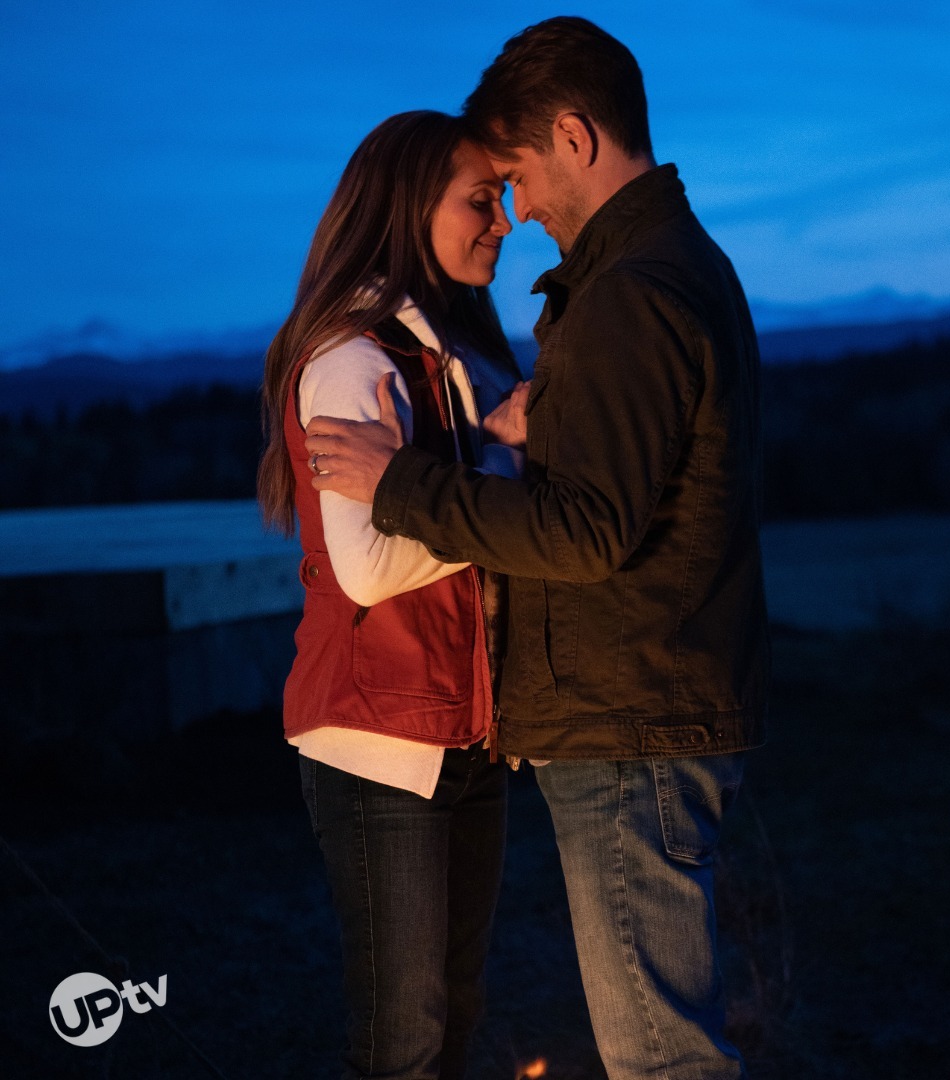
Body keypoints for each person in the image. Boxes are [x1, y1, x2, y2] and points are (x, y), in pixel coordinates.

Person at [304, 18, 771, 1080]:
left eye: (514, 178)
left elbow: (586, 529)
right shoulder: (662, 272)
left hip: (630, 714)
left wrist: (406, 483)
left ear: (574, 135)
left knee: (659, 1057)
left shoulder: (630, 292)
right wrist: (521, 438)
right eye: (488, 192)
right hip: (635, 702)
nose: (517, 213)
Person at [256, 110, 527, 1080]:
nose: (503, 220)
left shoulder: (446, 357)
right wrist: (502, 466)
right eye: (480, 200)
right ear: (412, 207)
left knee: (453, 1013)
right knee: (404, 1036)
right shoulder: (353, 359)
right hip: (377, 740)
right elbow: (369, 566)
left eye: (501, 197)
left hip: (464, 729)